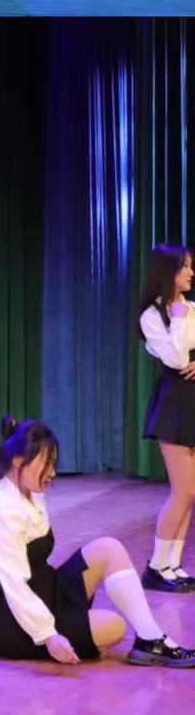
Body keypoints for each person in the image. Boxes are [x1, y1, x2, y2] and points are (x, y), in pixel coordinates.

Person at [0, 416, 195, 668]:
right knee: (115, 627)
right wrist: (48, 636)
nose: (52, 473)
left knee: (108, 548)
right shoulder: (4, 512)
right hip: (10, 620)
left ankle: (151, 640)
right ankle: (94, 634)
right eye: (47, 463)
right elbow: (15, 587)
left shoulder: (30, 491)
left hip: (45, 591)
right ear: (18, 461)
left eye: (54, 464)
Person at [138, 243, 195, 591]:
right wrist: (178, 318)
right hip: (174, 404)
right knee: (183, 491)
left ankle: (173, 565)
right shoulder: (152, 315)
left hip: (192, 401)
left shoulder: (190, 308)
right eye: (185, 266)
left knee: (191, 493)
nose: (191, 272)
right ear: (168, 271)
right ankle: (156, 567)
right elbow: (176, 359)